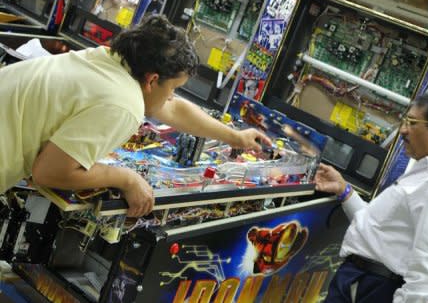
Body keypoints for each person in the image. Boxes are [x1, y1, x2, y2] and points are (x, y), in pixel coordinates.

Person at [0, 15, 271, 218]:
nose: (171, 96)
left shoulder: (107, 59)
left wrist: (236, 137)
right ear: (153, 79)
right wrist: (126, 178)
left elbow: (172, 108)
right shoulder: (124, 103)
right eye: (173, 88)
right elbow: (49, 172)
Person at [315, 93, 428, 302]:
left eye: (412, 122)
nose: (403, 130)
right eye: (405, 121)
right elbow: (376, 228)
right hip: (358, 280)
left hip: (373, 288)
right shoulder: (426, 172)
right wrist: (344, 190)